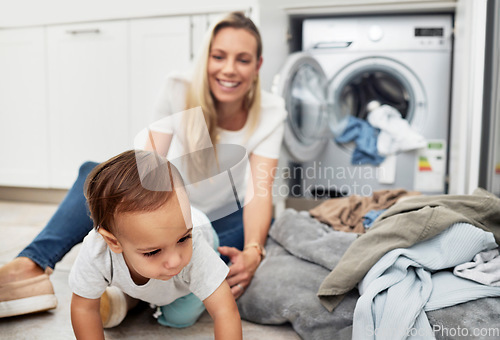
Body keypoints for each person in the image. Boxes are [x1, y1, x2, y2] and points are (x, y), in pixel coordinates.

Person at [0, 11, 286, 319]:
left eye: (242, 60)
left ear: (257, 66)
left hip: (219, 221)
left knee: (230, 239)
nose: (229, 69)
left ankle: (130, 297)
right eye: (219, 56)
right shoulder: (178, 87)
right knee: (93, 174)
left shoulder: (271, 113)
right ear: (205, 58)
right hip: (167, 208)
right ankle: (29, 267)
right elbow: (145, 166)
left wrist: (254, 251)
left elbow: (259, 193)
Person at [70, 150, 241, 339]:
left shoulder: (196, 246)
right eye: (152, 252)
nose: (175, 261)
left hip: (204, 239)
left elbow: (225, 310)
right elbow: (84, 309)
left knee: (179, 317)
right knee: (154, 284)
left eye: (183, 238)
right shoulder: (97, 250)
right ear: (113, 241)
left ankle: (134, 300)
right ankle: (133, 297)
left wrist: (184, 241)